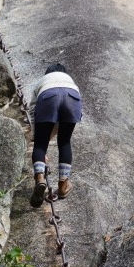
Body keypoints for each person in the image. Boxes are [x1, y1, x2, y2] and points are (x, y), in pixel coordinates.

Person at [28, 63, 83, 208]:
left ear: (47, 73)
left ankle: (40, 178)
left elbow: (33, 109)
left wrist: (37, 138)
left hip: (48, 96)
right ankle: (63, 185)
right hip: (73, 97)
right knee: (65, 142)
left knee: (40, 144)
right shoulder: (70, 81)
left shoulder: (43, 81)